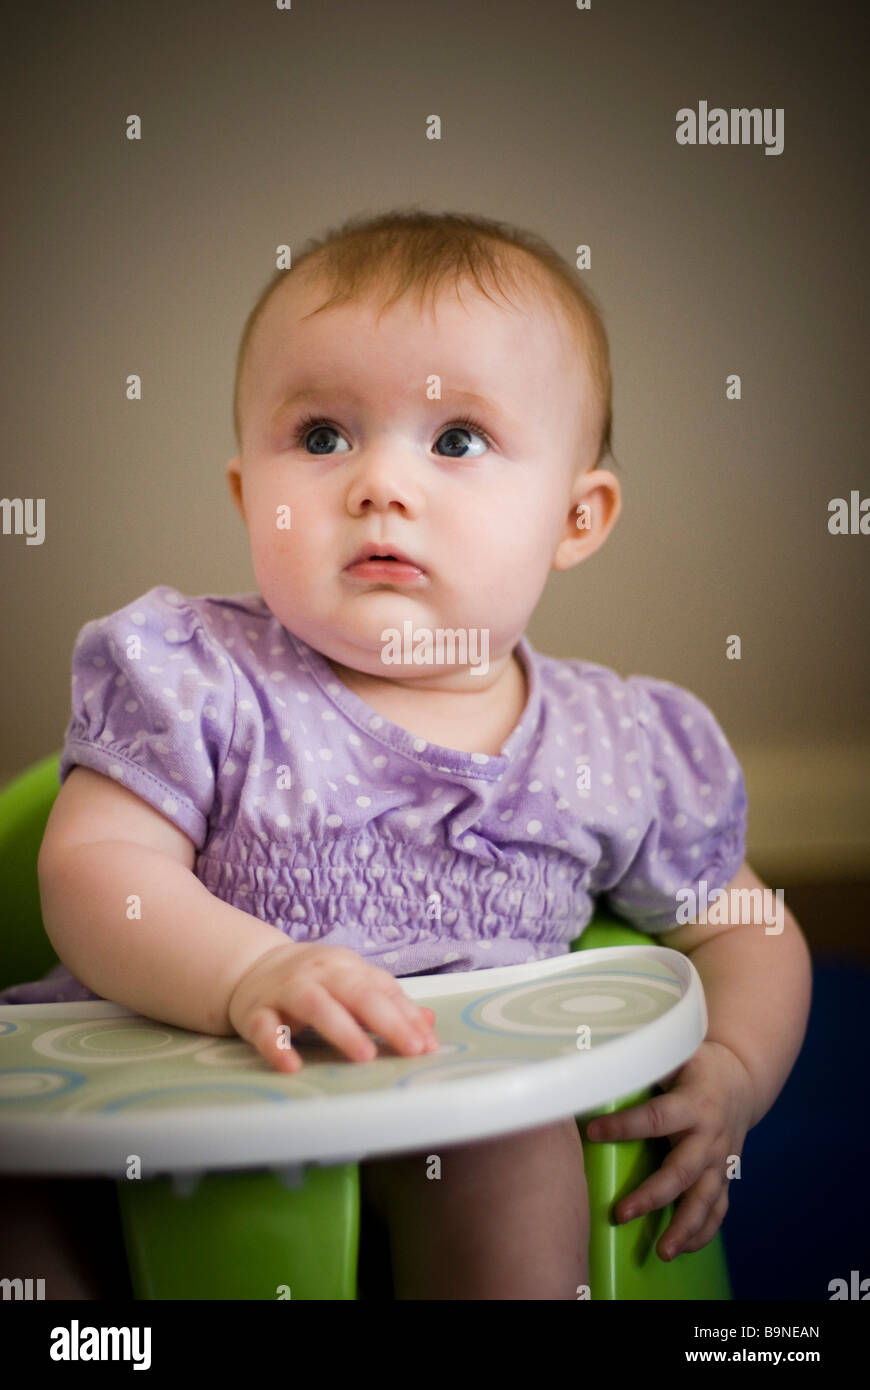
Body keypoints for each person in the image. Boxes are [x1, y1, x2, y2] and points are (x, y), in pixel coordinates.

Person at [0, 210, 812, 1299]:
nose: (380, 481)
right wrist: (248, 971)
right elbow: (94, 871)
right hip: (165, 1084)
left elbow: (748, 927)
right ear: (248, 495)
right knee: (22, 1198)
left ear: (577, 516)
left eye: (457, 438)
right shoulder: (198, 678)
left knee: (521, 1169)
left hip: (461, 1100)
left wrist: (735, 1073)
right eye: (324, 435)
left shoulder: (618, 746)